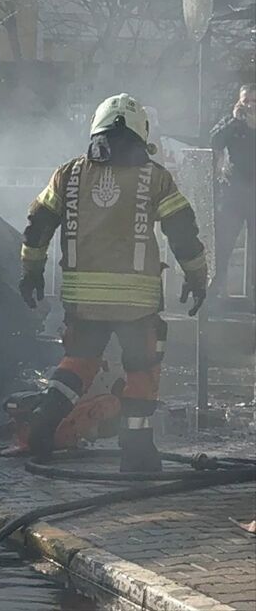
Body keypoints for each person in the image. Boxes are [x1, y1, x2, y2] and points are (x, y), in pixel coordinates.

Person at [18, 94, 208, 472]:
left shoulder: (68, 175)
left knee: (78, 364)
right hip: (137, 305)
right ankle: (136, 452)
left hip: (82, 301)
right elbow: (182, 231)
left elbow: (37, 225)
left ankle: (42, 428)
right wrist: (197, 277)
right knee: (141, 369)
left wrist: (31, 273)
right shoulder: (154, 178)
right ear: (141, 136)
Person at [209, 84, 256, 298]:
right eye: (246, 101)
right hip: (234, 191)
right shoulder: (232, 123)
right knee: (224, 243)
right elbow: (214, 140)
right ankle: (218, 289)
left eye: (254, 101)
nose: (250, 105)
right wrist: (235, 120)